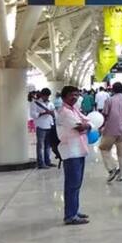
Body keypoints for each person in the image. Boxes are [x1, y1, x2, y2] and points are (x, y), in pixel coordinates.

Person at [55, 86, 91, 225]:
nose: (74, 97)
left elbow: (87, 121)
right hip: (71, 152)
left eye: (76, 94)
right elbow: (81, 126)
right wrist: (86, 126)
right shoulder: (65, 112)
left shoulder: (73, 109)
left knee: (76, 184)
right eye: (71, 95)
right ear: (64, 97)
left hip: (78, 150)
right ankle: (70, 215)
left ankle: (74, 211)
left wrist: (86, 125)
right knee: (72, 184)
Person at [100, 82, 122, 183]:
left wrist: (101, 127)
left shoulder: (109, 100)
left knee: (104, 148)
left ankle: (112, 168)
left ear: (113, 90)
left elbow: (105, 115)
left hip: (110, 130)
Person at [30, 88, 56, 169]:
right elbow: (33, 114)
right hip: (41, 126)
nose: (47, 98)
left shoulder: (50, 103)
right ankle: (41, 163)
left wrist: (52, 114)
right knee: (40, 145)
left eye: (48, 96)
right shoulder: (35, 103)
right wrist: (44, 113)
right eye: (46, 96)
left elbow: (54, 112)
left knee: (48, 145)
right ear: (42, 95)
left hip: (49, 125)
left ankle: (47, 161)